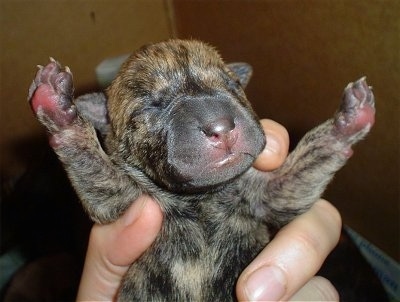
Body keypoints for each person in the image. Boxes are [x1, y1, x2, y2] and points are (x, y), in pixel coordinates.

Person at [76, 119, 341, 301]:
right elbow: (109, 199)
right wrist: (72, 135)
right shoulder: (139, 190)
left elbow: (281, 198)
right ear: (110, 127)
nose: (217, 126)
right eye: (152, 107)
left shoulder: (247, 179)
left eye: (226, 86)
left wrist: (334, 139)